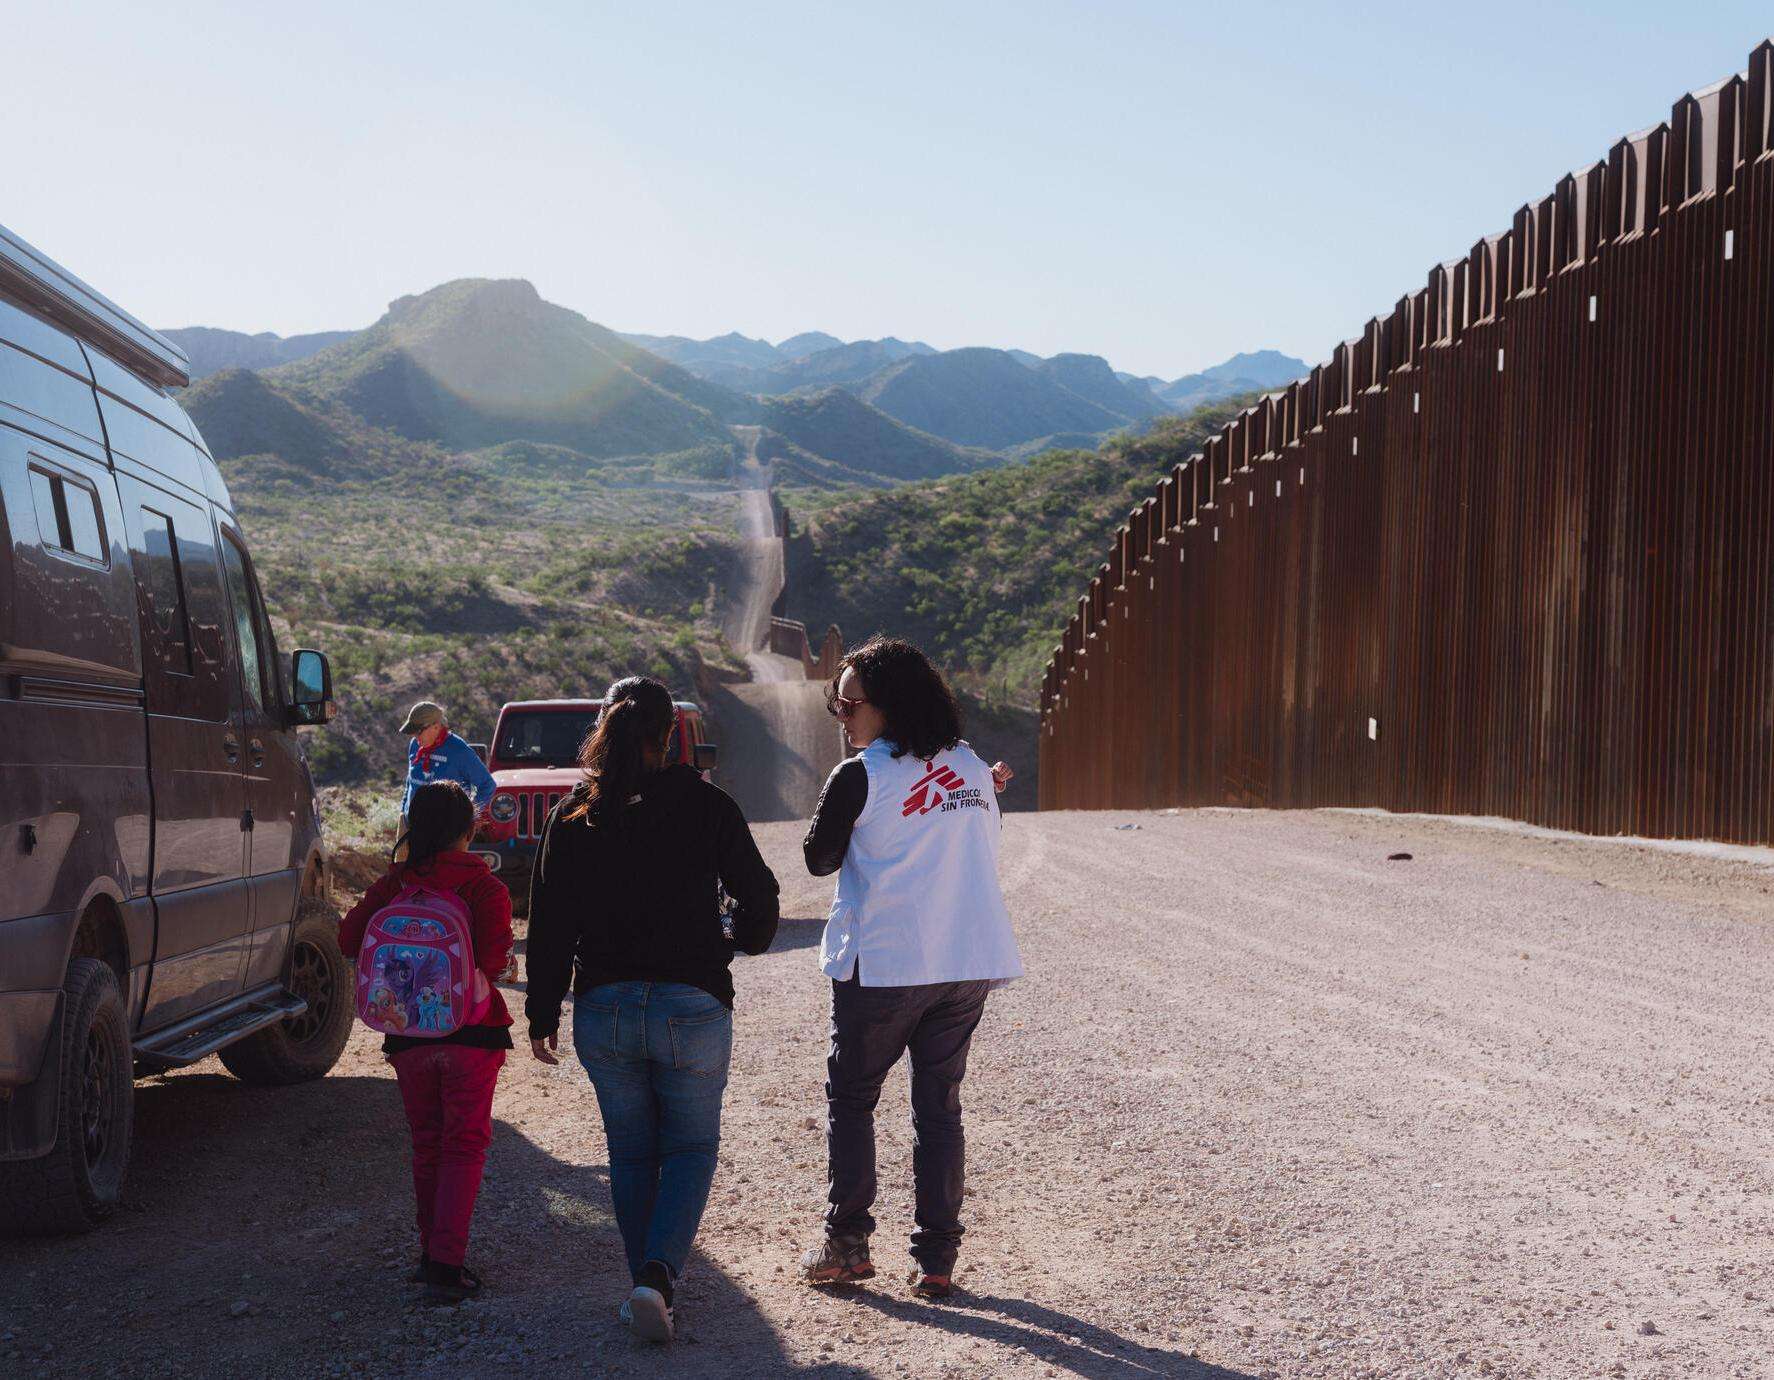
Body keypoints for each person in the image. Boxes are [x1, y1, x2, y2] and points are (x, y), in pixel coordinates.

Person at [525, 676, 780, 1343]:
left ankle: (645, 1285)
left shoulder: (576, 812)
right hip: (690, 1003)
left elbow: (549, 921)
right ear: (671, 734)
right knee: (691, 1147)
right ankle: (658, 1281)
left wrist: (542, 1012)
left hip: (604, 1009)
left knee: (632, 1154)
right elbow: (761, 899)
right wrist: (739, 940)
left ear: (606, 728)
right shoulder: (707, 804)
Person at [799, 636, 1023, 1299]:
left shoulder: (862, 774)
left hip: (888, 963)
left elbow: (817, 859)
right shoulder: (976, 767)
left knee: (853, 1100)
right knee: (939, 1108)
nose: (840, 718)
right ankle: (936, 1259)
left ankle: (845, 1244)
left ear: (884, 708)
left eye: (847, 705)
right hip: (965, 962)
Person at [338, 780, 514, 1304]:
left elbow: (350, 939)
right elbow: (492, 961)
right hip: (472, 1036)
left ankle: (428, 1253)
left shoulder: (394, 884)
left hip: (407, 1036)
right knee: (464, 1145)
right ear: (469, 830)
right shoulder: (485, 888)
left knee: (428, 1144)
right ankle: (446, 1262)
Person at [397, 701, 497, 839]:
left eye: (418, 732)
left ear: (436, 727)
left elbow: (487, 785)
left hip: (444, 836)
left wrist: (466, 818)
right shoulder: (415, 745)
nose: (415, 737)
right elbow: (411, 781)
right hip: (411, 828)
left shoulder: (458, 750)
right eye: (413, 733)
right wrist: (403, 813)